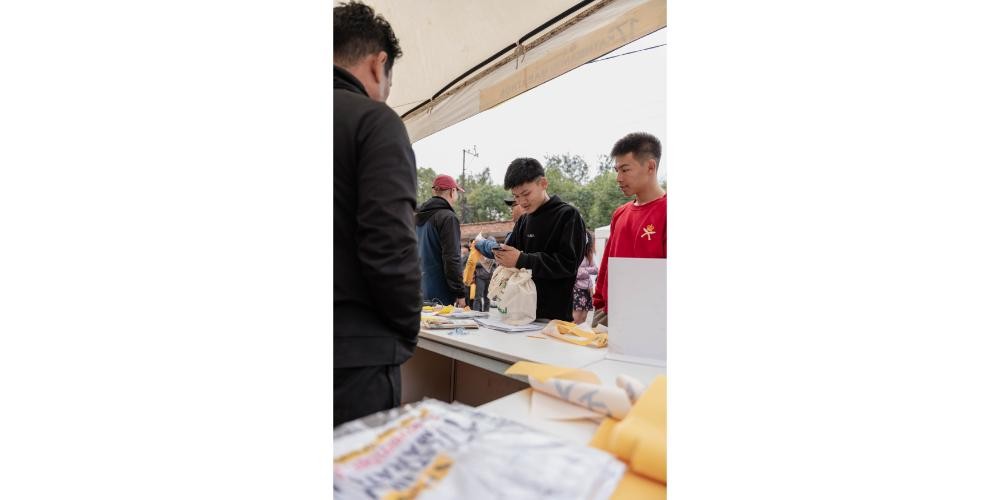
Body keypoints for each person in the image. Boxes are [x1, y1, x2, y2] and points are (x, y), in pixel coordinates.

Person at [334, 1, 420, 426]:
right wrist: (405, 329)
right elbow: (389, 243)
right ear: (377, 63)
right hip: (351, 359)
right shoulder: (374, 121)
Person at [493, 158, 587, 322]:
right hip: (519, 312)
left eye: (526, 194)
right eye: (516, 196)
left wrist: (522, 259)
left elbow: (569, 264)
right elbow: (512, 255)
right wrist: (500, 254)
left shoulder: (568, 215)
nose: (522, 202)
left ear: (543, 183)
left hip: (553, 316)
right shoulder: (523, 220)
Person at [592, 132, 667, 327]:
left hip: (651, 319)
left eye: (625, 170)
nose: (619, 178)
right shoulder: (620, 213)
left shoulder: (666, 211)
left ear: (650, 166)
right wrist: (599, 304)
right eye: (617, 170)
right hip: (609, 313)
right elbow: (607, 265)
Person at [415, 174, 467, 307]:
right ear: (452, 191)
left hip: (419, 288)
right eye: (457, 191)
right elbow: (452, 258)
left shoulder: (417, 218)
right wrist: (460, 292)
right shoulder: (448, 217)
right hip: (441, 292)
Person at [572, 231, 599, 324]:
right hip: (577, 288)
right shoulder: (575, 253)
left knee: (583, 317)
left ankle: (578, 332)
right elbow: (576, 272)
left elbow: (596, 269)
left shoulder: (588, 254)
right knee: (576, 317)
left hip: (587, 289)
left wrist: (584, 271)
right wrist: (587, 271)